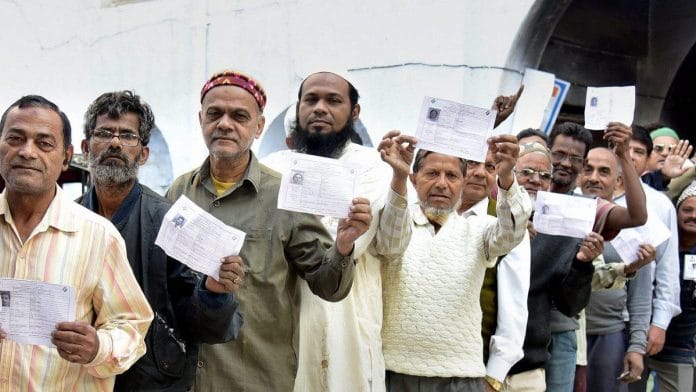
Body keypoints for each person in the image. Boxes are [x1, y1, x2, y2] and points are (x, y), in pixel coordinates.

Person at [166, 69, 372, 391]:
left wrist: (343, 245)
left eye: (239, 116)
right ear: (201, 120)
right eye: (214, 114)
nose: (224, 124)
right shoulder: (179, 192)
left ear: (259, 126)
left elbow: (329, 285)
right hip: (187, 378)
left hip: (255, 379)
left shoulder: (284, 196)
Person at [77, 91, 244, 391]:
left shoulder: (171, 221)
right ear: (86, 147)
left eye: (127, 135)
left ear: (143, 154)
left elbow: (199, 324)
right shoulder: (67, 220)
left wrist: (213, 293)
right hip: (80, 375)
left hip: (152, 380)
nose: (115, 143)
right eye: (104, 133)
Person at [263, 71, 410, 392]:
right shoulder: (273, 168)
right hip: (289, 317)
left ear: (354, 112)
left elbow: (350, 243)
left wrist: (292, 224)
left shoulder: (372, 165)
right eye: (311, 99)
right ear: (299, 107)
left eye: (333, 101)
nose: (319, 108)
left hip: (349, 321)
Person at [0, 95, 153, 390]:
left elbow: (132, 325)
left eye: (44, 143)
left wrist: (99, 347)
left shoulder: (98, 236)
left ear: (67, 157)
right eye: (15, 139)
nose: (27, 152)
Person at [380, 133, 532, 391]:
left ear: (462, 183)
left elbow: (513, 232)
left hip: (461, 378)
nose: (442, 184)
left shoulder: (480, 229)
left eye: (451, 176)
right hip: (393, 373)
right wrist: (397, 176)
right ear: (414, 179)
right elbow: (388, 243)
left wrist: (506, 177)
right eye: (432, 174)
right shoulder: (395, 220)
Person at [505, 142, 604, 392]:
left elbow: (570, 305)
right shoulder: (485, 217)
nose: (535, 181)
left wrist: (582, 263)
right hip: (479, 360)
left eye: (544, 176)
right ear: (508, 174)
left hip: (527, 365)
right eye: (527, 172)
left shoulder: (561, 232)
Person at [580, 146, 653, 391]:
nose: (593, 177)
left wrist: (636, 347)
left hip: (608, 335)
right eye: (588, 169)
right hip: (564, 334)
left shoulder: (631, 225)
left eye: (603, 171)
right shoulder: (562, 213)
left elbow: (640, 296)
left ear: (618, 181)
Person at [458, 148, 531, 392]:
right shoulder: (429, 210)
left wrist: (494, 377)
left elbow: (514, 306)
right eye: (471, 163)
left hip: (474, 365)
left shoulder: (507, 223)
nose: (480, 173)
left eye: (490, 167)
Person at [646, 182, 696, 392]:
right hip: (642, 336)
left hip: (681, 346)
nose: (693, 216)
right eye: (687, 209)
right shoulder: (656, 240)